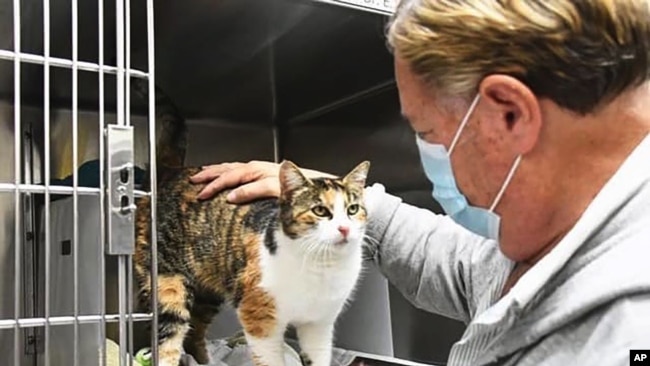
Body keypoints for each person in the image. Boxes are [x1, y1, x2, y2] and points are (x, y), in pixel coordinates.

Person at [190, 0, 650, 365]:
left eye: (428, 133)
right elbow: (470, 267)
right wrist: (336, 199)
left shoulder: (621, 331)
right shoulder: (565, 222)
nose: (428, 153)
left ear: (508, 113)